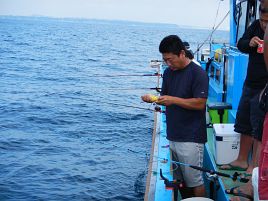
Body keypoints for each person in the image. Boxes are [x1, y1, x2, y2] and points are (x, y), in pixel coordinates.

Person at [142, 35, 209, 198]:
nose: (167, 63)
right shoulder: (168, 74)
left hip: (191, 138)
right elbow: (167, 99)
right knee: (180, 181)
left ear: (181, 53)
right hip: (172, 135)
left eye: (170, 59)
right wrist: (155, 99)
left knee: (195, 182)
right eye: (165, 60)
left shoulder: (198, 73)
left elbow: (200, 103)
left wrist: (173, 100)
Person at [220, 4, 268, 177]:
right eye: (262, 21)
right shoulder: (255, 25)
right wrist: (250, 42)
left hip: (264, 88)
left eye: (266, 22)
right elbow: (241, 44)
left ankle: (254, 168)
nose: (263, 25)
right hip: (250, 83)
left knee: (259, 129)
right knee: (244, 122)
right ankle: (241, 160)